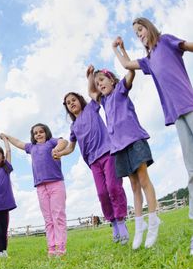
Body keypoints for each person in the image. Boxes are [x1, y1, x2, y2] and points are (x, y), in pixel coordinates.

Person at [112, 17, 193, 253]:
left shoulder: (166, 41)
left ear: (150, 28)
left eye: (141, 29)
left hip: (191, 105)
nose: (140, 34)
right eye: (136, 33)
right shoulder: (148, 60)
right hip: (176, 116)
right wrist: (119, 49)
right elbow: (127, 65)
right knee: (191, 171)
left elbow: (189, 45)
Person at [88, 65, 159, 249]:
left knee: (144, 180)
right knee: (134, 186)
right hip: (118, 148)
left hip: (134, 141)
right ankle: (139, 226)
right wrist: (90, 77)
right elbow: (91, 92)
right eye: (97, 83)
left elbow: (131, 73)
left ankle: (153, 222)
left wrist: (119, 50)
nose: (99, 85)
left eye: (102, 80)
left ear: (111, 80)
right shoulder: (104, 101)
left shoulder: (120, 90)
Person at [59, 86, 129, 244]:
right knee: (102, 194)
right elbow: (71, 147)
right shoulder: (73, 126)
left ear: (80, 100)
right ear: (68, 108)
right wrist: (60, 153)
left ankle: (121, 221)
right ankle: (113, 224)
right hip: (93, 162)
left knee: (113, 187)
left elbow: (94, 91)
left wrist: (90, 76)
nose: (71, 104)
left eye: (73, 100)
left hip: (108, 152)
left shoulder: (91, 108)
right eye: (68, 103)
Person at [1, 125, 68, 256]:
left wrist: (57, 149)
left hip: (56, 183)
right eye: (35, 133)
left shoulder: (51, 142)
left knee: (58, 215)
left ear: (46, 132)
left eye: (41, 132)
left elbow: (64, 141)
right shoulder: (32, 147)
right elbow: (19, 143)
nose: (38, 134)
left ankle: (61, 247)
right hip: (40, 187)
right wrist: (7, 137)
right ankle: (51, 248)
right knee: (48, 219)